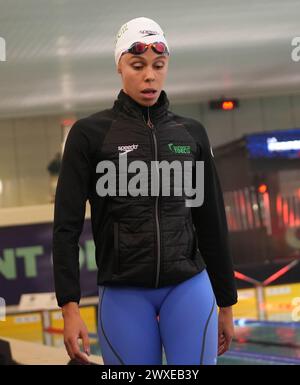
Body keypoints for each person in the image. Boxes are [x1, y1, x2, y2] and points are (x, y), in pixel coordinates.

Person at [52, 16, 238, 365]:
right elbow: (66, 228)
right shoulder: (89, 135)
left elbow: (211, 220)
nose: (149, 75)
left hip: (189, 288)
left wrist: (226, 302)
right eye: (137, 65)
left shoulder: (191, 133)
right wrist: (69, 306)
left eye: (158, 65)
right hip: (124, 294)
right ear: (119, 66)